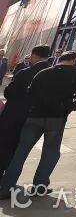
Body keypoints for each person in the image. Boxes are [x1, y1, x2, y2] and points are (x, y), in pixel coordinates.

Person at [0, 50, 76, 198]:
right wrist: (70, 107)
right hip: (57, 119)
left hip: (34, 117)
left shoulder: (43, 73)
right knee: (50, 152)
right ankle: (39, 187)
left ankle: (6, 187)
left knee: (21, 151)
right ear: (74, 60)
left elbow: (30, 93)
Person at [0, 45, 51, 176]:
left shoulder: (26, 72)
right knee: (22, 150)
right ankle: (11, 177)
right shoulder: (54, 73)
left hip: (15, 115)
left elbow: (9, 92)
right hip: (38, 117)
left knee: (6, 144)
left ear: (34, 55)